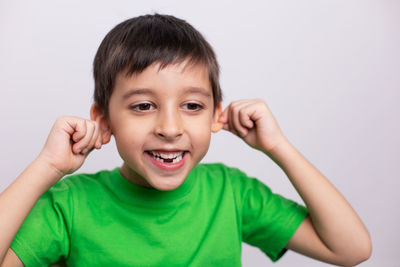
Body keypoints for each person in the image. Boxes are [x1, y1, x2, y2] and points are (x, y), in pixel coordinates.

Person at [0, 13, 371, 266]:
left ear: (215, 115)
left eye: (192, 105)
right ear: (104, 120)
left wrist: (279, 147)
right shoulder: (69, 206)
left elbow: (351, 249)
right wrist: (47, 166)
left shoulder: (232, 193)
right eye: (144, 105)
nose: (170, 127)